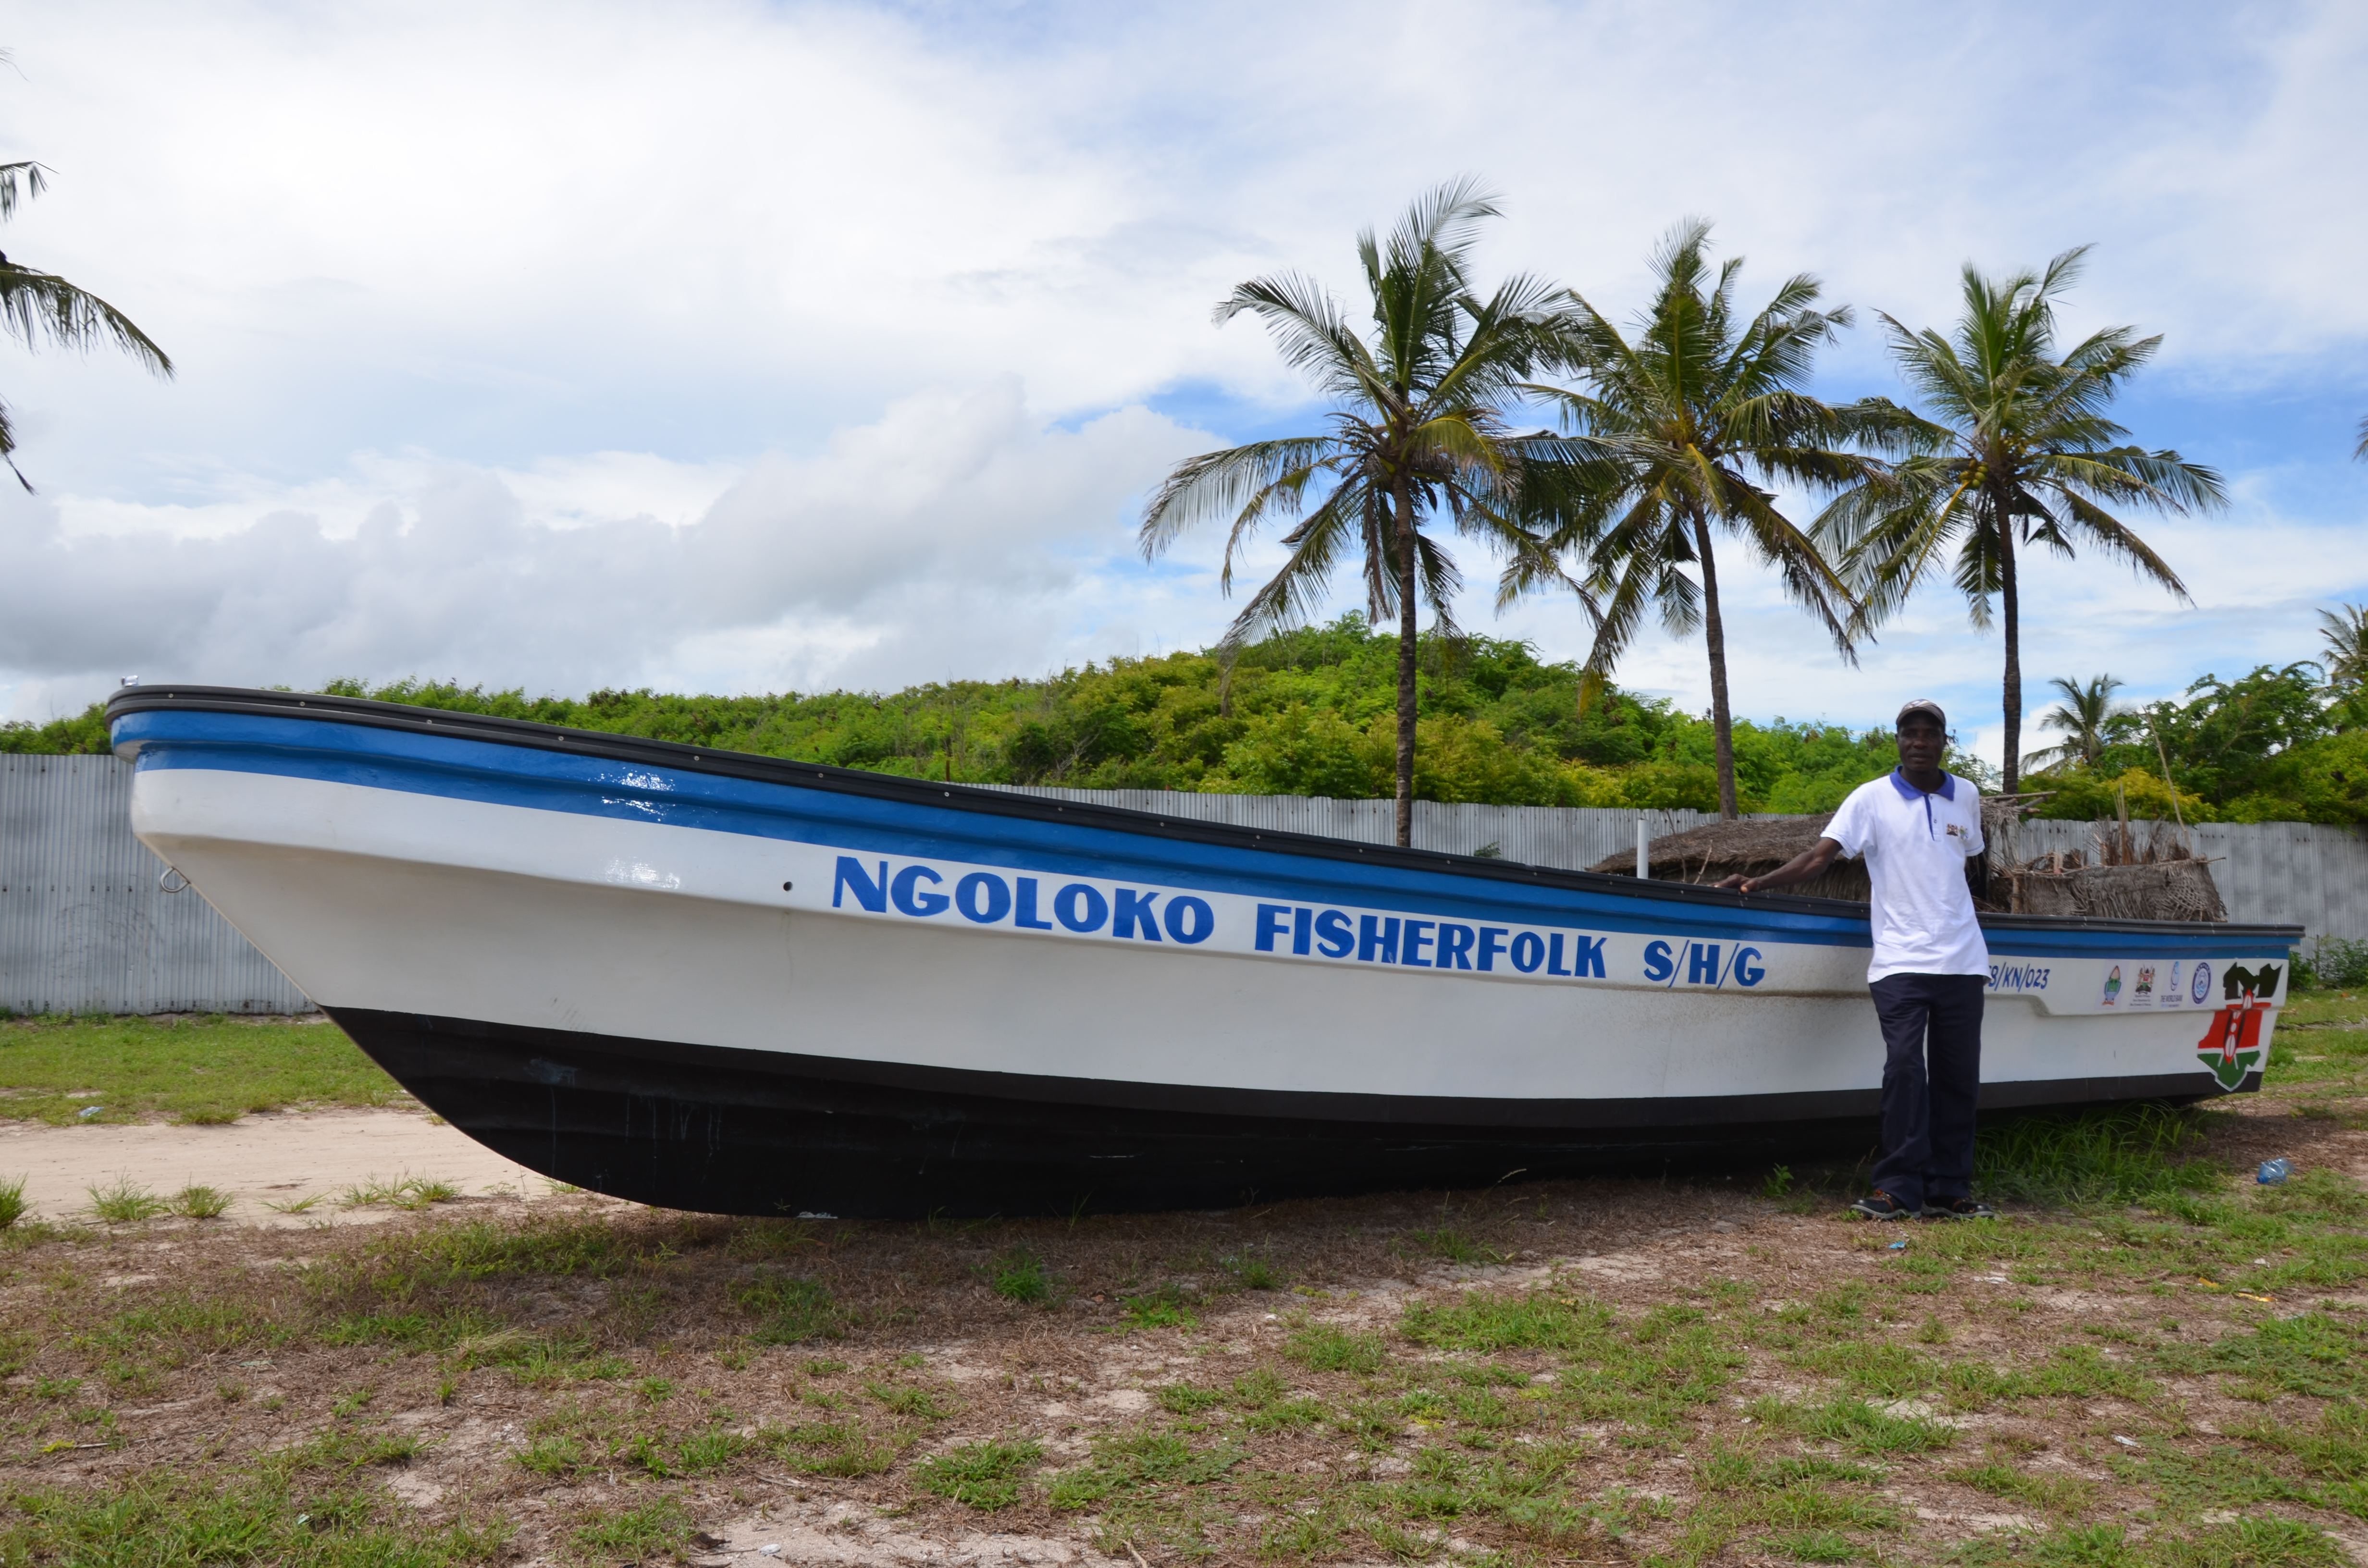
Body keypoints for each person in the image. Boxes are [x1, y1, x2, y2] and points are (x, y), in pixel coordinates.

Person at [1719, 700, 1997, 1221]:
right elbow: (1819, 858)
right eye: (1908, 733)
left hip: (1962, 959)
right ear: (1897, 741)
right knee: (1905, 1071)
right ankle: (1897, 1188)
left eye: (1928, 733)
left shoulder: (1967, 795)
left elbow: (1971, 863)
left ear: (1943, 741)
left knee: (1959, 1077)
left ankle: (1948, 1189)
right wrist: (1757, 883)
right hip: (1900, 961)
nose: (1918, 742)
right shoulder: (1869, 799)